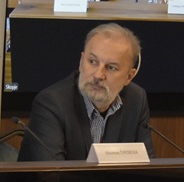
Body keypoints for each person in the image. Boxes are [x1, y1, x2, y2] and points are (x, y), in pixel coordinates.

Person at [17, 23, 154, 161]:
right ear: (81, 61)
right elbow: (53, 171)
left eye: (111, 67)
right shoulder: (51, 103)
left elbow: (147, 166)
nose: (98, 75)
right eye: (92, 62)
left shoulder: (136, 99)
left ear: (129, 77)